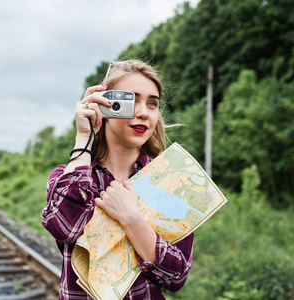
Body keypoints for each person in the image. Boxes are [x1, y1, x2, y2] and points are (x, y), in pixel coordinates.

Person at [41, 59, 194, 299]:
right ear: (105, 106)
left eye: (152, 103)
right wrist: (84, 137)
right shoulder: (69, 175)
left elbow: (177, 276)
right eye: (131, 100)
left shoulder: (170, 181)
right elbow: (64, 227)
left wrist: (131, 218)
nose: (143, 112)